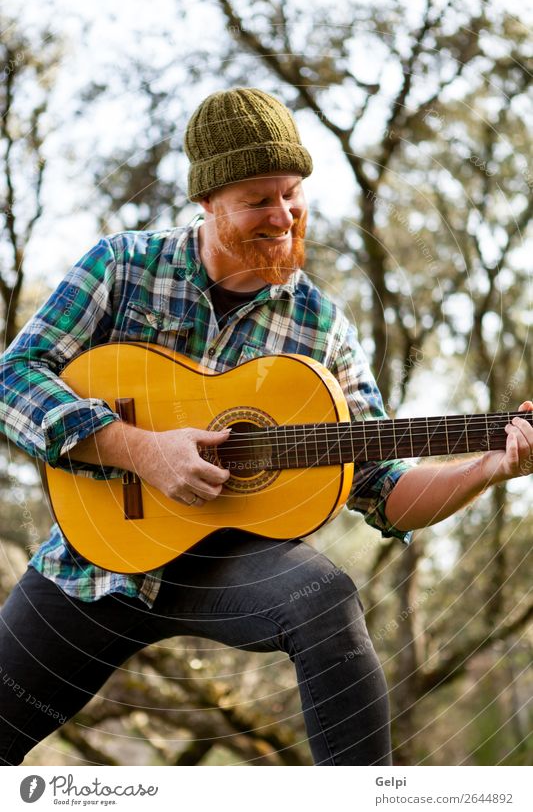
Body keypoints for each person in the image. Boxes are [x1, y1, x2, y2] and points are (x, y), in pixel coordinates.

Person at [0, 88, 531, 767]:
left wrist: (489, 466)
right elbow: (14, 377)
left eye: (291, 193)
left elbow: (382, 488)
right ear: (207, 202)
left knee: (325, 599)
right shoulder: (123, 265)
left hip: (229, 564)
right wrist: (138, 450)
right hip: (93, 558)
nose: (283, 216)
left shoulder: (320, 327)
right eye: (258, 199)